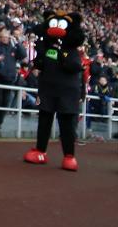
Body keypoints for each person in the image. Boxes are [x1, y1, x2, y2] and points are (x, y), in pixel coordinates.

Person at [23, 11, 86, 171]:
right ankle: (40, 150)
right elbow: (39, 63)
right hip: (48, 90)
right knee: (44, 121)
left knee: (66, 125)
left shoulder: (71, 51)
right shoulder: (46, 47)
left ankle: (69, 156)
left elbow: (75, 67)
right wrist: (40, 59)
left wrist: (61, 54)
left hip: (67, 92)